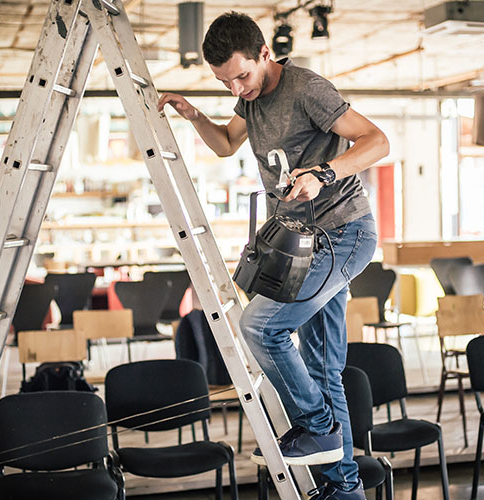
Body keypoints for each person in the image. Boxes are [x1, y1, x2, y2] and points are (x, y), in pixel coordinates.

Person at [159, 12, 389, 500]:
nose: (237, 87)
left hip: (343, 233)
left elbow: (377, 142)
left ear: (266, 53)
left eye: (242, 75)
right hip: (299, 246)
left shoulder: (306, 89)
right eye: (225, 81)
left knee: (261, 326)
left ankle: (317, 428)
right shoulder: (251, 100)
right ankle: (343, 488)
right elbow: (225, 144)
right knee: (325, 370)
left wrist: (322, 173)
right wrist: (195, 115)